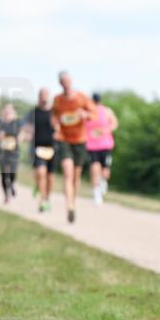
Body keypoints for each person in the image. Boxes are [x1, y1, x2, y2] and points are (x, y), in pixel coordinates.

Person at [51, 72, 96, 223]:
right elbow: (54, 117)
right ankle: (69, 206)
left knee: (76, 176)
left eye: (68, 81)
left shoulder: (82, 97)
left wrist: (85, 114)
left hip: (80, 140)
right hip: (63, 139)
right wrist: (56, 126)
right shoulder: (57, 100)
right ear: (60, 83)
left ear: (71, 81)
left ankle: (73, 203)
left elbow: (93, 114)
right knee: (67, 173)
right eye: (63, 81)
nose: (66, 84)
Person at [24, 88, 57, 213]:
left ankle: (47, 198)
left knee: (50, 176)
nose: (44, 97)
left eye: (46, 95)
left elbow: (59, 126)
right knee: (41, 172)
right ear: (38, 97)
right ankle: (42, 200)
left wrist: (58, 131)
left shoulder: (54, 112)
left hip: (52, 148)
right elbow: (27, 127)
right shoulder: (33, 112)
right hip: (37, 148)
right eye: (41, 95)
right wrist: (26, 134)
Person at [85, 93, 119, 206]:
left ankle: (103, 182)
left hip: (105, 145)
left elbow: (114, 124)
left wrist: (104, 130)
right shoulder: (87, 112)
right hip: (92, 146)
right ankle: (96, 194)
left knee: (105, 172)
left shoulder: (106, 111)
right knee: (95, 169)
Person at [0, 104, 22, 204]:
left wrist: (20, 137)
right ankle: (6, 196)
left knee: (13, 173)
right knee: (4, 175)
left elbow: (22, 133)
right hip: (2, 152)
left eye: (9, 111)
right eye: (5, 111)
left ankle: (12, 184)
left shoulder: (17, 123)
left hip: (14, 152)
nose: (7, 113)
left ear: (13, 113)